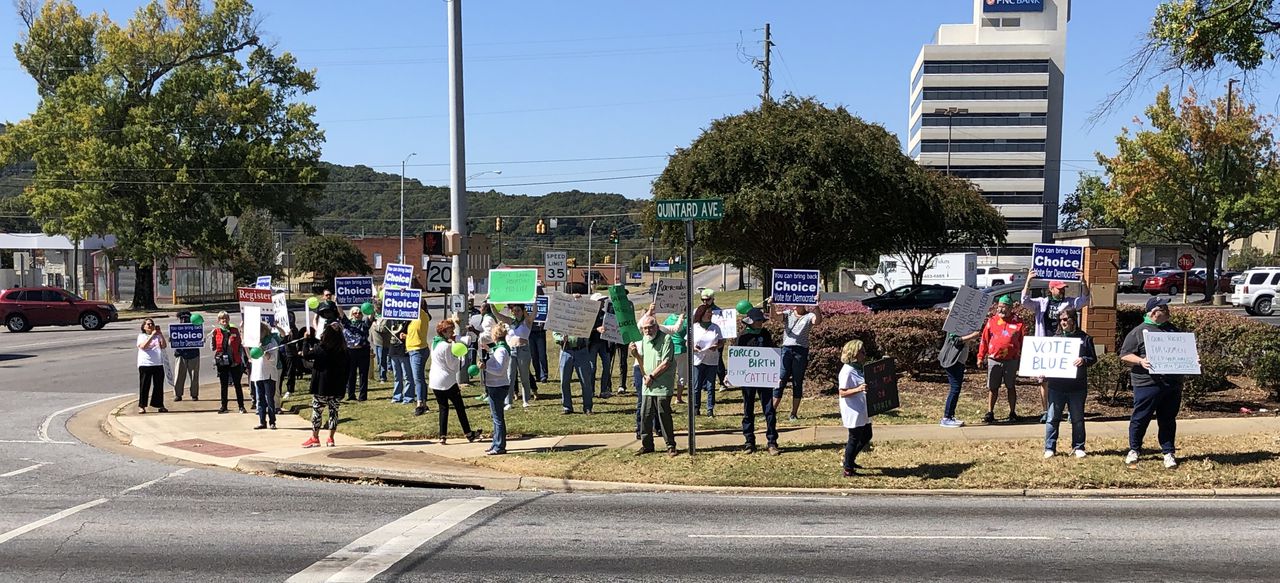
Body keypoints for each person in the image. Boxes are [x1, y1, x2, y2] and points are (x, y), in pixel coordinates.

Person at [1120, 297, 1184, 468]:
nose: (1168, 311)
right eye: (1164, 308)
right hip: (1146, 383)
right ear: (1154, 313)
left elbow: (1183, 353)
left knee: (1168, 419)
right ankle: (1134, 450)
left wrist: (1192, 360)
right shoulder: (1138, 332)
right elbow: (1125, 355)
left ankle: (1168, 452)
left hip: (1171, 383)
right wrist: (1140, 361)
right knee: (1140, 418)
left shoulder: (1173, 331)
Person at [1022, 271, 1092, 423]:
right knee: (1044, 379)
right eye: (1059, 288)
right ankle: (1047, 411)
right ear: (1051, 289)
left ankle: (1070, 412)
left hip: (1065, 344)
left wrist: (1083, 283)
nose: (1062, 291)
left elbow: (1085, 300)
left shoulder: (1069, 302)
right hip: (1046, 345)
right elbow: (1024, 300)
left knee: (1066, 377)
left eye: (1063, 288)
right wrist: (1028, 281)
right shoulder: (1041, 303)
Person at [1044, 306, 1097, 458]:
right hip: (1056, 386)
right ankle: (1050, 448)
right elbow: (1048, 361)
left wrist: (1084, 360)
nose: (1063, 323)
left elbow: (1093, 358)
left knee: (1077, 419)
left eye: (1066, 319)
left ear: (1074, 320)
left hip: (1077, 386)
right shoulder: (1055, 339)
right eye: (1060, 320)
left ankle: (1079, 447)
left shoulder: (1085, 338)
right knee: (1052, 418)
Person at [976, 295, 1025, 423]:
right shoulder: (992, 321)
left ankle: (1012, 412)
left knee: (1010, 386)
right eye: (999, 307)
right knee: (993, 387)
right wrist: (980, 357)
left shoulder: (1018, 322)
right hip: (994, 359)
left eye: (1004, 307)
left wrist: (1023, 358)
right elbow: (984, 340)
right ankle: (990, 412)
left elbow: (1023, 341)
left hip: (1011, 360)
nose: (1001, 310)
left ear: (1010, 308)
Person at [430, 319, 480, 444]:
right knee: (459, 407)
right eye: (450, 330)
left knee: (443, 407)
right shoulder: (446, 346)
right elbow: (453, 365)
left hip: (435, 381)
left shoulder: (434, 343)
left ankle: (442, 435)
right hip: (447, 381)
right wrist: (461, 356)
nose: (452, 332)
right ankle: (468, 433)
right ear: (444, 332)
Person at [737, 308, 779, 454]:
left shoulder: (765, 334)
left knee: (769, 409)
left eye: (762, 320)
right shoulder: (743, 337)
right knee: (748, 409)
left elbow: (772, 354)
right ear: (751, 322)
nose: (761, 323)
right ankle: (749, 442)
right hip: (748, 380)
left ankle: (772, 441)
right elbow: (738, 357)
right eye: (758, 320)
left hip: (764, 378)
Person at [636, 315, 678, 457]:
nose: (647, 331)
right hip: (648, 385)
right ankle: (647, 445)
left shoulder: (666, 339)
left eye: (649, 327)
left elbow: (666, 363)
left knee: (663, 414)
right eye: (644, 328)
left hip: (662, 384)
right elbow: (643, 362)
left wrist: (652, 376)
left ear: (656, 326)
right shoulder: (644, 339)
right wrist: (635, 354)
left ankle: (670, 445)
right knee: (645, 415)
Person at [301, 324, 349, 448]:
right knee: (334, 411)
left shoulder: (321, 348)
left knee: (317, 411)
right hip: (337, 386)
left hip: (321, 386)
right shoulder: (343, 349)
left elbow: (306, 355)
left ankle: (315, 437)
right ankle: (331, 438)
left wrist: (306, 341)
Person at [775, 296, 822, 420]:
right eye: (793, 303)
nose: (794, 305)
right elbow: (775, 317)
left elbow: (817, 321)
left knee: (797, 381)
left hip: (800, 351)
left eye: (797, 303)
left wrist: (816, 305)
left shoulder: (809, 316)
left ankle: (794, 413)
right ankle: (771, 411)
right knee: (781, 379)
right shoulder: (788, 313)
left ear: (804, 303)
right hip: (786, 349)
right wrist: (771, 305)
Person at [488, 303, 538, 408]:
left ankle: (526, 400)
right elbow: (497, 314)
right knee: (510, 376)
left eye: (518, 310)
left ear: (522, 311)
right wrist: (491, 304)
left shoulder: (527, 321)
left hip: (523, 350)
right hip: (511, 351)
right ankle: (509, 402)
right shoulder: (510, 321)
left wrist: (534, 300)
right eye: (514, 310)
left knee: (524, 376)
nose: (515, 312)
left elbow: (534, 312)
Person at [838, 339, 872, 477]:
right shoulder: (847, 371)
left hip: (863, 407)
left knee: (867, 435)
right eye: (861, 351)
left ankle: (849, 460)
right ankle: (848, 469)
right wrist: (858, 389)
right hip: (853, 409)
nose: (864, 353)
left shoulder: (859, 368)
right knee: (854, 438)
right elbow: (842, 392)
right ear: (854, 353)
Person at [478, 322, 511, 455]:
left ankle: (499, 446)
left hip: (498, 385)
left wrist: (485, 367)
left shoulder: (502, 350)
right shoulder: (499, 348)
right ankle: (495, 443)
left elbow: (500, 370)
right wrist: (488, 349)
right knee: (495, 416)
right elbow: (494, 351)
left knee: (498, 417)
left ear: (495, 336)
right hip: (494, 385)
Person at [938, 328, 980, 428]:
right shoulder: (955, 324)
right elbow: (955, 340)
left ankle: (950, 416)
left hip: (959, 361)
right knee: (955, 388)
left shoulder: (962, 325)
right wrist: (972, 336)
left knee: (956, 388)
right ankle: (947, 417)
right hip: (953, 361)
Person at [690, 304, 724, 417]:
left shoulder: (715, 327)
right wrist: (693, 348)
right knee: (696, 386)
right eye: (708, 312)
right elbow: (687, 342)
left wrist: (716, 346)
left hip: (712, 360)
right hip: (697, 359)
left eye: (711, 313)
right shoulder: (694, 327)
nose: (710, 314)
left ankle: (710, 409)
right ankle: (696, 407)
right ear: (702, 314)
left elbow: (721, 341)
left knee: (710, 386)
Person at [210, 311, 247, 414]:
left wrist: (239, 358)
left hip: (234, 361)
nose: (224, 320)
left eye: (226, 318)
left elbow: (240, 345)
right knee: (224, 385)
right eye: (222, 319)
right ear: (219, 321)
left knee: (237, 384)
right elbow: (213, 348)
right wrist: (212, 337)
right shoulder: (216, 331)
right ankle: (224, 406)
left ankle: (241, 406)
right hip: (222, 362)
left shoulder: (234, 330)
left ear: (229, 319)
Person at [249, 322, 282, 430]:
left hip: (269, 374)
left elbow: (272, 358)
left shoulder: (271, 342)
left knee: (269, 399)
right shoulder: (255, 343)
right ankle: (262, 421)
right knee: (260, 399)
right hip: (257, 374)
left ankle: (272, 421)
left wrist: (262, 350)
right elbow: (251, 355)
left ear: (264, 331)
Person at [556, 328, 596, 414]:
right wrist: (560, 338)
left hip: (581, 350)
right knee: (564, 381)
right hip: (565, 351)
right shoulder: (561, 318)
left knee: (585, 380)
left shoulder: (583, 314)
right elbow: (555, 332)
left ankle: (588, 407)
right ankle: (567, 407)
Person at [136, 318, 168, 414]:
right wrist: (152, 336)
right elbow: (143, 346)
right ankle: (142, 406)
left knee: (158, 386)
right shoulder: (141, 336)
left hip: (157, 363)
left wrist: (160, 333)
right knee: (144, 385)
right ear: (144, 327)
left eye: (152, 324)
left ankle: (159, 405)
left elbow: (163, 346)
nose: (150, 326)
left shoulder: (157, 336)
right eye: (148, 324)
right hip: (145, 364)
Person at [407, 301, 433, 416]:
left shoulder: (422, 314)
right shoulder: (413, 318)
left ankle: (420, 403)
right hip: (413, 349)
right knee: (419, 378)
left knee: (418, 378)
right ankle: (423, 402)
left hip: (418, 350)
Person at [342, 307, 372, 401]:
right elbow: (341, 313)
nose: (358, 315)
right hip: (351, 351)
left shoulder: (365, 323)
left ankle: (363, 396)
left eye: (359, 313)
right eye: (355, 313)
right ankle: (351, 395)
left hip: (363, 350)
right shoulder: (348, 323)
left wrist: (373, 303)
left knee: (363, 374)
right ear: (352, 314)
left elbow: (371, 315)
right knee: (351, 374)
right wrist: (338, 302)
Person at [588, 294, 613, 399]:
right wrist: (596, 329)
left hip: (603, 343)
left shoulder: (605, 314)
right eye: (601, 301)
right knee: (592, 368)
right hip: (592, 343)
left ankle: (604, 390)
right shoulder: (588, 315)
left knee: (607, 365)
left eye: (603, 301)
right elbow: (584, 330)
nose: (603, 303)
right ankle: (591, 390)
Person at [172, 311, 200, 402]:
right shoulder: (176, 329)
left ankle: (194, 395)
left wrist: (200, 339)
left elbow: (199, 338)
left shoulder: (196, 327)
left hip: (193, 354)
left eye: (186, 318)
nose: (184, 320)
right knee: (179, 376)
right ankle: (178, 394)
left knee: (194, 376)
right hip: (180, 354)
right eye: (182, 318)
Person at [386, 318, 413, 403]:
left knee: (407, 376)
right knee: (397, 376)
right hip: (393, 350)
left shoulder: (409, 320)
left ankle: (408, 396)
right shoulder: (392, 320)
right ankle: (397, 396)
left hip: (404, 350)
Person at [370, 299, 390, 383]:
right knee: (378, 359)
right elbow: (369, 320)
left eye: (376, 308)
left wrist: (375, 326)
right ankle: (380, 375)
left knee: (382, 359)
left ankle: (383, 377)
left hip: (383, 341)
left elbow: (383, 329)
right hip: (376, 341)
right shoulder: (375, 314)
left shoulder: (386, 316)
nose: (375, 309)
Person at [530, 303, 550, 383]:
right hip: (530, 332)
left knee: (542, 354)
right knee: (533, 354)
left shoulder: (543, 302)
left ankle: (543, 375)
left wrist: (545, 322)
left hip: (540, 331)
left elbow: (547, 315)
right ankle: (538, 374)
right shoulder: (527, 302)